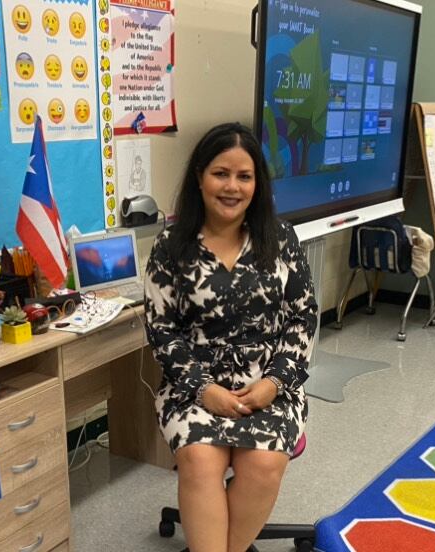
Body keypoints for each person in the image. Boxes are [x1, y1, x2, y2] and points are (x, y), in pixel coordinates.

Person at [144, 122, 317, 552]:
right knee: (200, 460)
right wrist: (204, 390)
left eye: (245, 176)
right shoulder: (171, 244)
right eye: (221, 173)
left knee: (262, 462)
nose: (232, 187)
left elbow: (302, 321)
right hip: (193, 386)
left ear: (257, 184)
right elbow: (162, 330)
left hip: (270, 385)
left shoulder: (281, 240)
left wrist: (272, 385)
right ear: (200, 175)